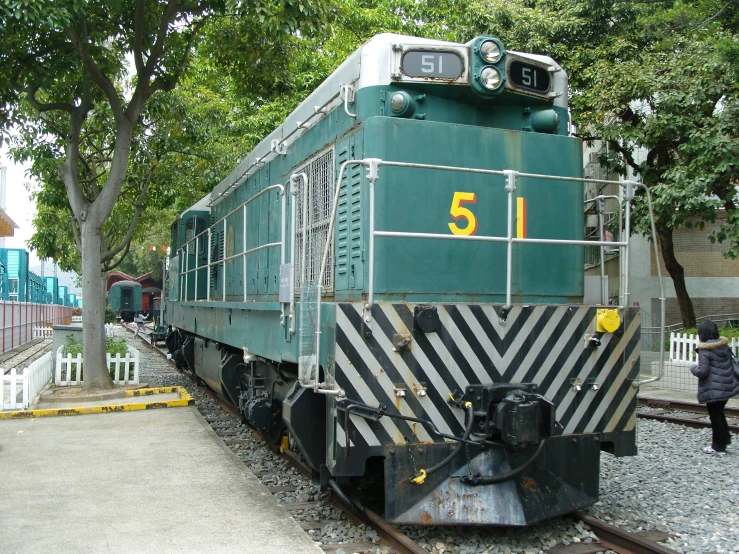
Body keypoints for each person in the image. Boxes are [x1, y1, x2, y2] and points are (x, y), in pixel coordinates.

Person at [690, 320, 739, 454]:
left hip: (713, 390)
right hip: (727, 388)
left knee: (715, 416)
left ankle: (718, 446)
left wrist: (692, 368)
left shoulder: (705, 350)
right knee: (719, 414)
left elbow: (702, 372)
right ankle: (724, 440)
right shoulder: (724, 347)